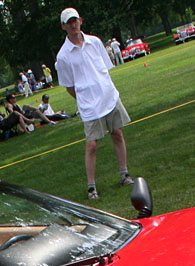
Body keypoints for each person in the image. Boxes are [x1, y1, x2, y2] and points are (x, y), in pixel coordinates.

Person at [56, 7, 133, 199]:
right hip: (90, 106)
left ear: (80, 20)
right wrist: (84, 98)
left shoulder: (95, 42)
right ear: (64, 26)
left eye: (75, 20)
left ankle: (124, 174)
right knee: (91, 145)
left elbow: (105, 69)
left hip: (109, 97)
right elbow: (69, 86)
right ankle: (91, 187)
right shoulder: (63, 56)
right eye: (69, 22)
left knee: (117, 133)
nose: (73, 25)